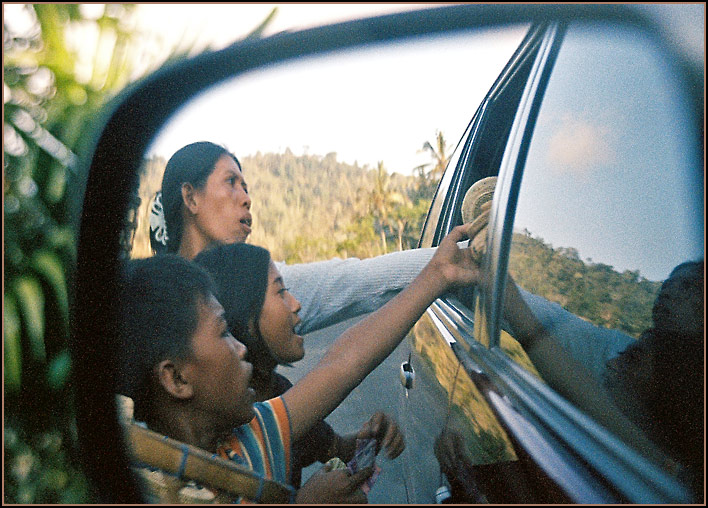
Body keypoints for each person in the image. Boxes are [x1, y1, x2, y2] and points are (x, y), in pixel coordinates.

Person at [118, 225, 480, 503]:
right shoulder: (148, 490)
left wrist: (438, 276)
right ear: (177, 378)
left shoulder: (250, 435)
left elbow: (344, 362)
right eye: (224, 331)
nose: (240, 349)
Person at [193, 242, 393, 488]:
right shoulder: (226, 417)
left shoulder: (277, 389)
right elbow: (344, 363)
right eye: (280, 292)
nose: (296, 303)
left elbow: (336, 449)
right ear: (245, 317)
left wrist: (370, 440)